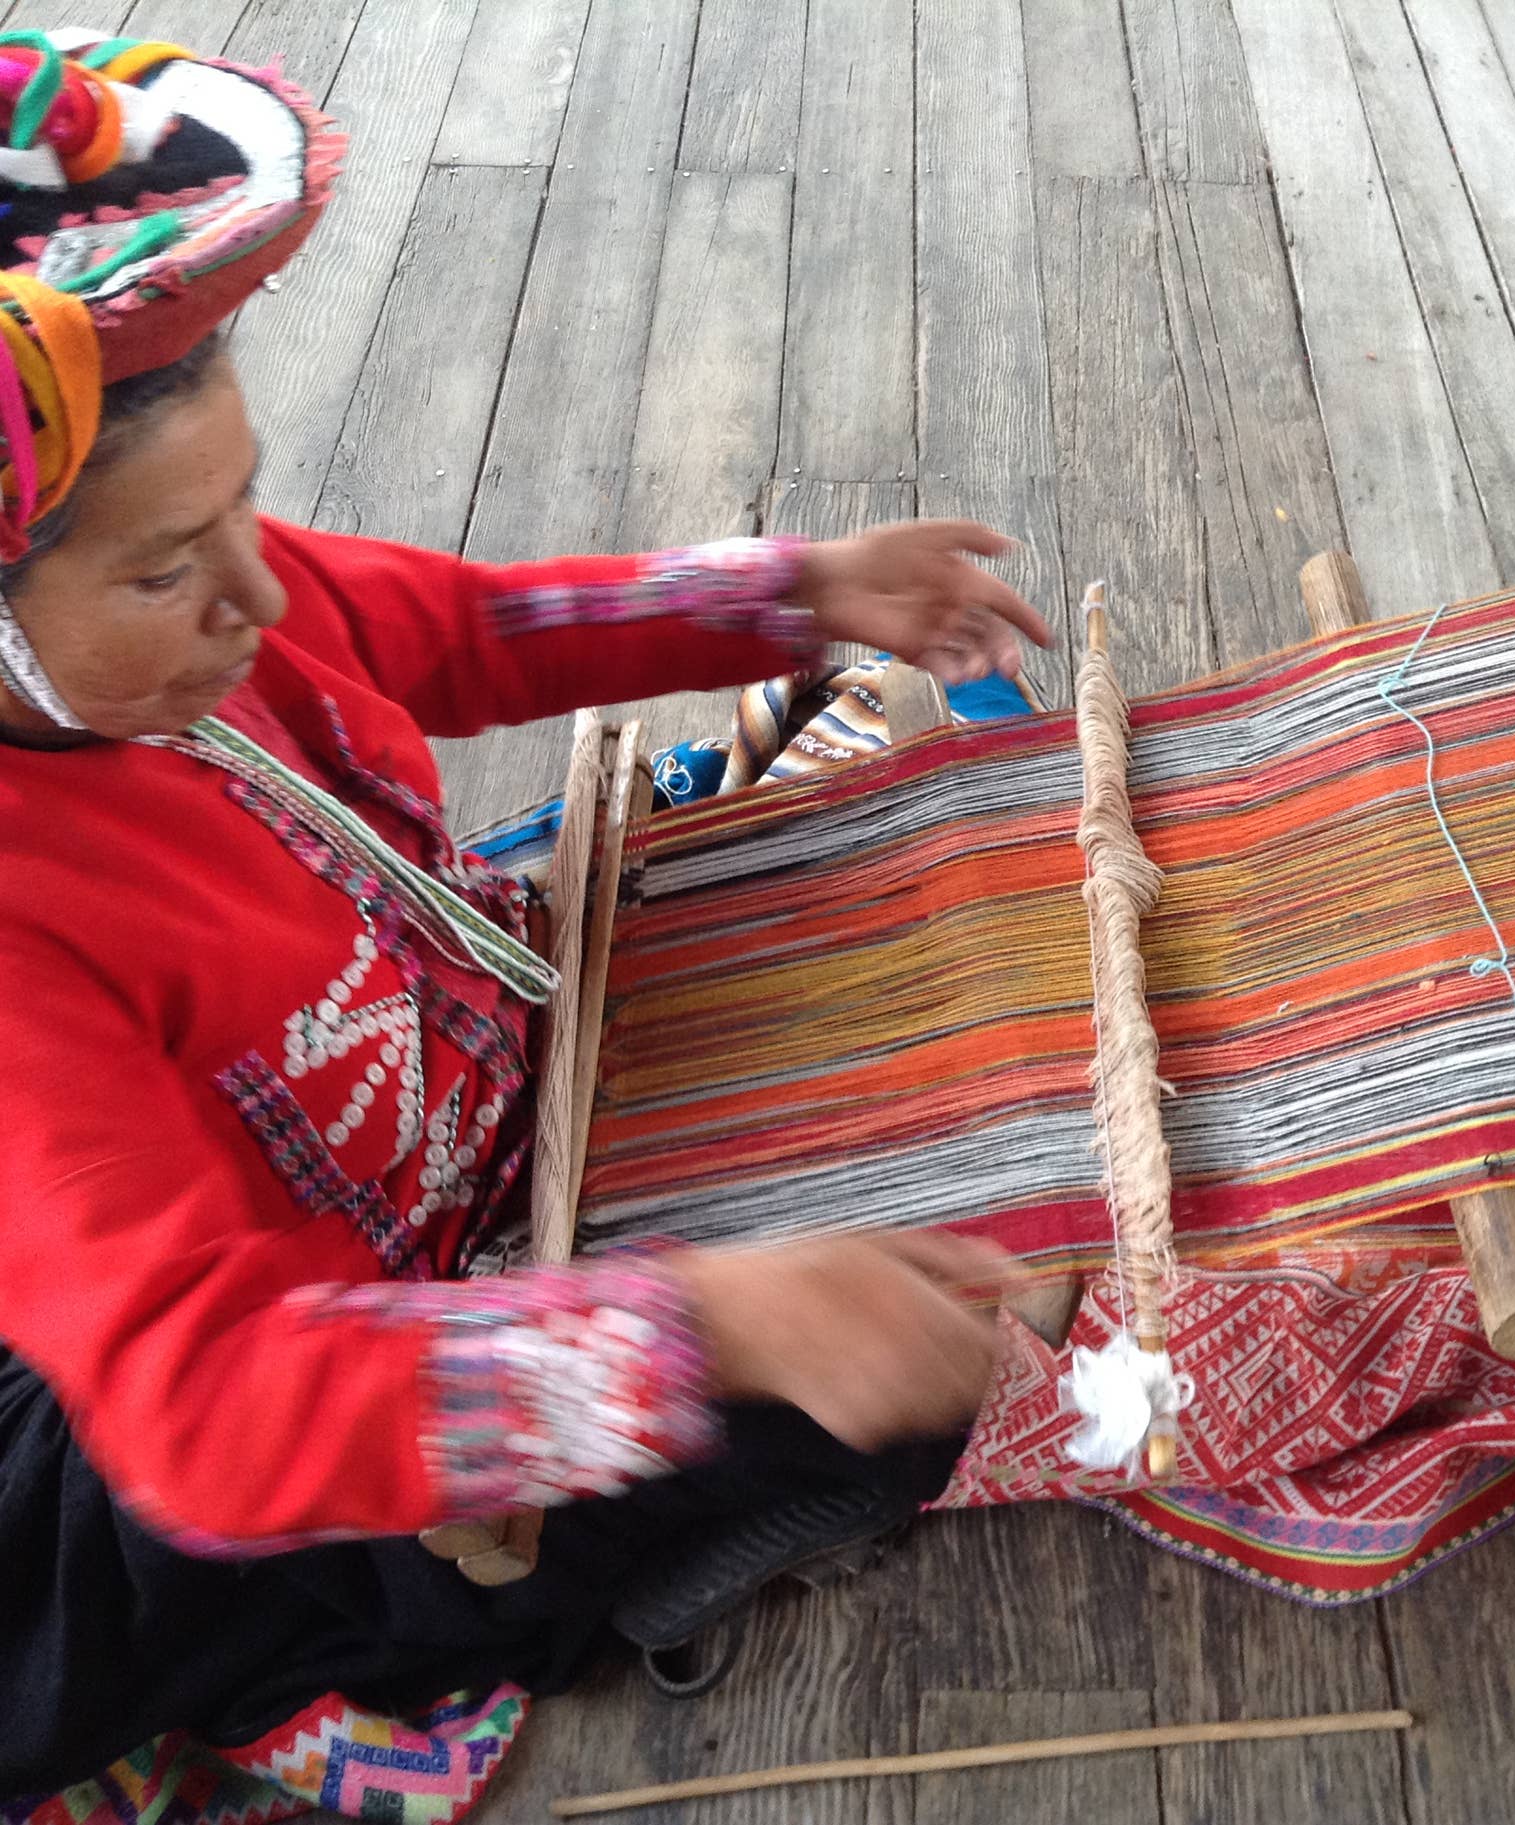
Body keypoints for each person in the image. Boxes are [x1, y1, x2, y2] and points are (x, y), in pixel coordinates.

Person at [0, 30, 1048, 1812]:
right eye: (169, 567)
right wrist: (702, 1324)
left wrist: (789, 600)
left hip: (450, 1141)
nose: (260, 589)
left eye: (242, 501)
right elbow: (205, 1409)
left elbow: (469, 630)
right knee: (937, 1338)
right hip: (303, 1374)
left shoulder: (203, 629)